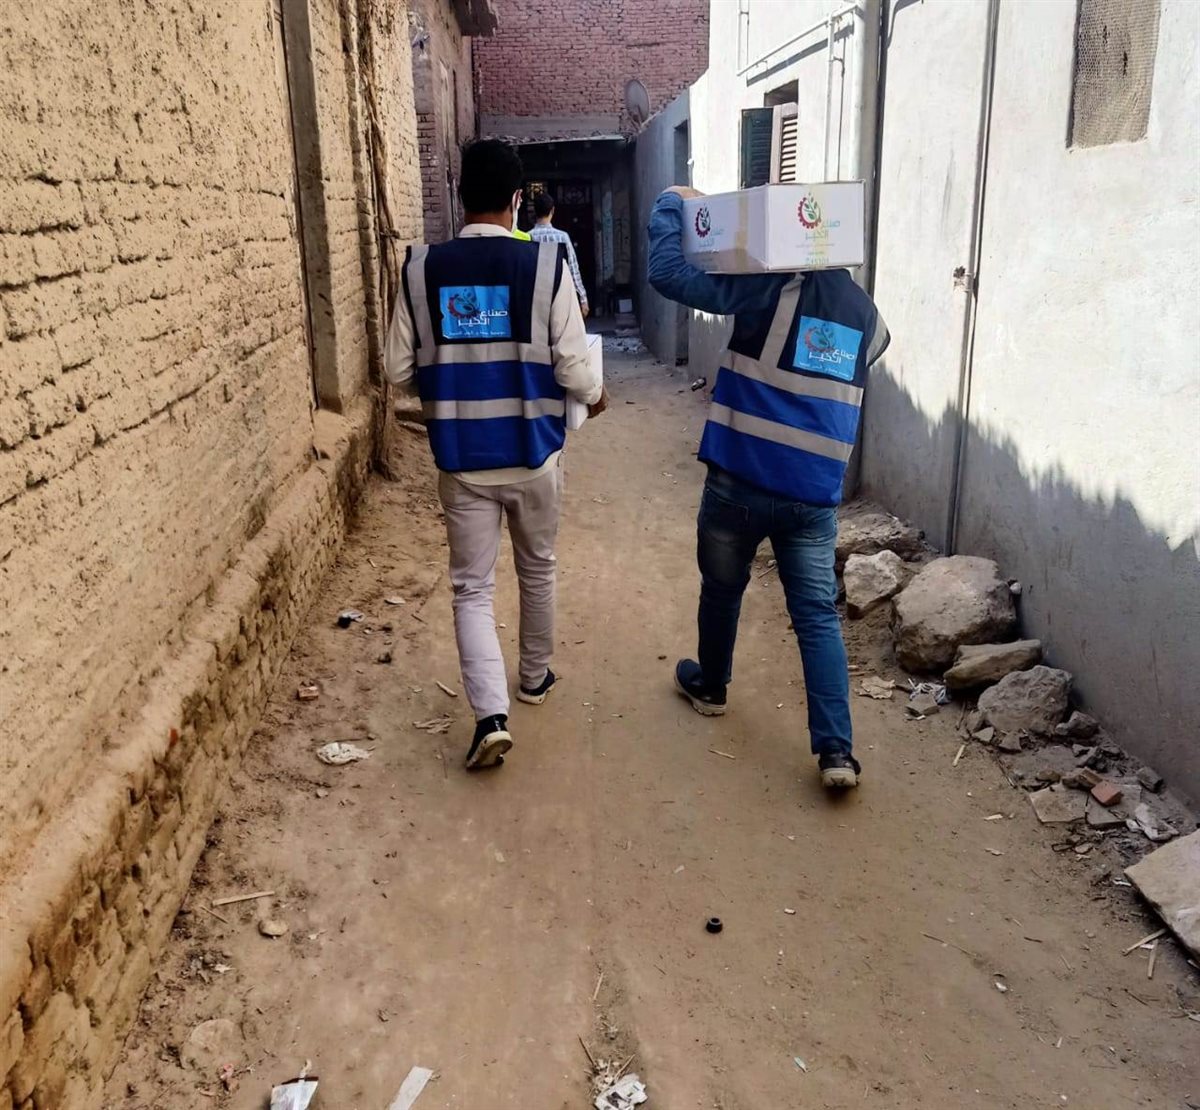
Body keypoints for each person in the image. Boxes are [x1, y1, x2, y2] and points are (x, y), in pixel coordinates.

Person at [647, 186, 889, 790]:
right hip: (812, 498)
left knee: (722, 589)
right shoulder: (868, 315)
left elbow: (668, 273)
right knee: (816, 617)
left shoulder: (767, 288)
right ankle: (836, 753)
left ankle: (712, 686)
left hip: (740, 480)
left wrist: (673, 205)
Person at [384, 139, 607, 770]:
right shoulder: (545, 267)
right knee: (538, 568)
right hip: (535, 456)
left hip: (462, 462)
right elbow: (575, 370)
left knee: (471, 589)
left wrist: (450, 370)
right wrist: (595, 394)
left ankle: (490, 717)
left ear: (460, 196)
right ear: (515, 200)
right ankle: (534, 679)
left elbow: (397, 370)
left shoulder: (421, 268)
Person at [528, 191, 589, 318]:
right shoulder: (562, 237)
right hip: (559, 294)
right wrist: (583, 298)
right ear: (552, 210)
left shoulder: (527, 237)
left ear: (535, 211)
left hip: (534, 295)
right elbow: (573, 269)